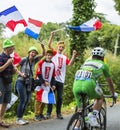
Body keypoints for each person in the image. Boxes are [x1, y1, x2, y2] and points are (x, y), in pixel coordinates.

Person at [73, 47, 118, 129]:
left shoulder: (86, 63)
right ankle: (93, 117)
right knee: (100, 97)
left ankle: (76, 127)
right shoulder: (103, 65)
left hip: (76, 84)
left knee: (81, 109)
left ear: (92, 56)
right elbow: (110, 83)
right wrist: (113, 94)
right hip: (89, 84)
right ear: (103, 57)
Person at [45, 32, 77, 119]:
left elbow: (69, 64)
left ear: (63, 48)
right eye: (59, 47)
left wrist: (73, 55)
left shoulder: (65, 57)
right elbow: (49, 45)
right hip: (53, 78)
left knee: (60, 97)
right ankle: (48, 113)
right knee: (51, 95)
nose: (61, 48)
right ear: (57, 47)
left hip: (61, 79)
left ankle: (58, 113)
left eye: (62, 47)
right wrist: (52, 36)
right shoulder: (54, 53)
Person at [15, 43, 45, 125]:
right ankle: (18, 119)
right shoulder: (24, 59)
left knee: (27, 100)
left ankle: (21, 118)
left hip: (29, 83)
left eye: (35, 53)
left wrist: (43, 47)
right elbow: (15, 67)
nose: (33, 54)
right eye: (32, 52)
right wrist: (21, 74)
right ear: (29, 53)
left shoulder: (34, 61)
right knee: (23, 99)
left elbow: (43, 54)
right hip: (21, 81)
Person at [34, 49, 56, 121]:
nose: (49, 56)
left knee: (44, 99)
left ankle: (40, 113)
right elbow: (38, 73)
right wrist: (43, 82)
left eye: (50, 55)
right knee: (38, 99)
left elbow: (53, 76)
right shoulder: (41, 63)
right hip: (40, 83)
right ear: (46, 55)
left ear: (52, 56)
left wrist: (53, 84)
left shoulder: (53, 65)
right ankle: (36, 114)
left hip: (47, 84)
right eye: (48, 55)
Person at [0, 39, 17, 128]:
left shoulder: (9, 58)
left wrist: (14, 70)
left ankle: (0, 120)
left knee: (6, 102)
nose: (13, 49)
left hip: (8, 81)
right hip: (1, 81)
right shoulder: (1, 57)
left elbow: (11, 72)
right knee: (0, 101)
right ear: (7, 48)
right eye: (12, 47)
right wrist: (8, 63)